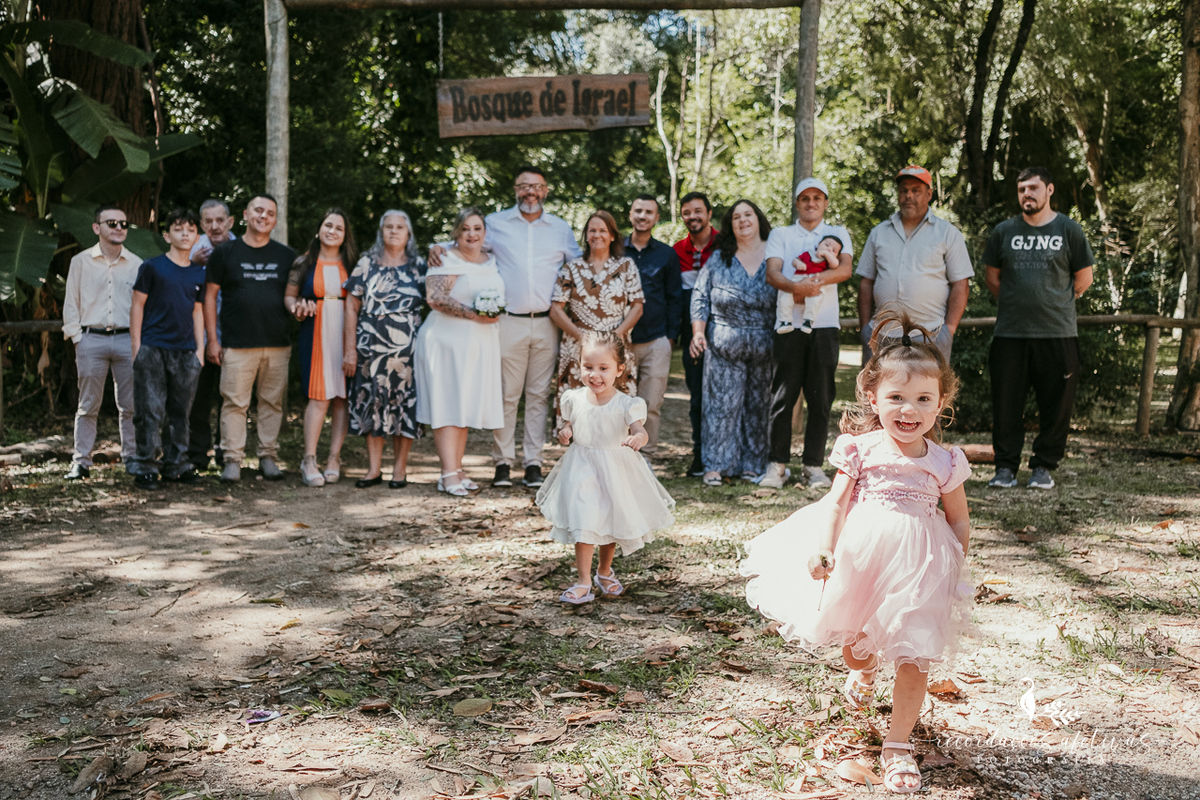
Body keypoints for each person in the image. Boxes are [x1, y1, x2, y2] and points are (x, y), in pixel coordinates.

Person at [740, 306, 972, 795]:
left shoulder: (945, 460)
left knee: (914, 654)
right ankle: (864, 677)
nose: (909, 410)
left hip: (922, 567)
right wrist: (823, 547)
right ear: (873, 396)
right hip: (863, 559)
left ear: (941, 401)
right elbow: (835, 503)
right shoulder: (860, 448)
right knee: (857, 649)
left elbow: (958, 517)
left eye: (922, 399)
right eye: (897, 397)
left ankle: (898, 745)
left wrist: (957, 564)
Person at [431, 166, 582, 489]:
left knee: (539, 394)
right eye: (524, 185)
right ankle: (502, 462)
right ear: (515, 189)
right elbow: (467, 242)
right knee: (506, 394)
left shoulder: (559, 228)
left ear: (546, 190)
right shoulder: (496, 223)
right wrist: (438, 246)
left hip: (546, 322)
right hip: (507, 321)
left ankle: (532, 462)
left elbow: (580, 263)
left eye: (537, 186)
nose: (531, 192)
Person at [535, 331, 675, 604]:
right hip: (581, 468)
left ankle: (604, 570)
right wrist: (566, 431)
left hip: (614, 469)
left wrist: (638, 438)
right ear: (579, 365)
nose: (594, 375)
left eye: (603, 368)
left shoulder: (627, 404)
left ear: (619, 369)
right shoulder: (574, 399)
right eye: (588, 367)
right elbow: (570, 424)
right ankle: (583, 580)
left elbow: (640, 430)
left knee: (610, 521)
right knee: (584, 520)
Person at [984, 167, 1094, 491]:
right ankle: (1004, 468)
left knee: (1056, 405)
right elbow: (993, 279)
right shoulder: (1004, 231)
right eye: (1021, 190)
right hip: (1010, 334)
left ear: (1049, 191)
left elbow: (1083, 279)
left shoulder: (1069, 230)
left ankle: (1043, 467)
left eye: (1033, 188)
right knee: (1006, 403)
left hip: (1058, 333)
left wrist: (1054, 301)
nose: (1026, 195)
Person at [762, 178, 855, 491]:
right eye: (804, 198)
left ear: (825, 202)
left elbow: (844, 271)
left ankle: (813, 467)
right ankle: (777, 466)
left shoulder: (838, 234)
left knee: (821, 398)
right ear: (797, 202)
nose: (811, 203)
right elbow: (773, 273)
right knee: (782, 397)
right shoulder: (781, 234)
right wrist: (795, 288)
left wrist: (808, 285)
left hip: (824, 326)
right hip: (788, 327)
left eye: (817, 198)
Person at [204, 194, 297, 483]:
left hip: (278, 343)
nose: (264, 216)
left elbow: (295, 295)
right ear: (246, 214)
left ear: (275, 220)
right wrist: (212, 340)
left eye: (270, 213)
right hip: (236, 344)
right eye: (259, 210)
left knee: (272, 403)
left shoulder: (287, 256)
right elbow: (209, 296)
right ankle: (232, 459)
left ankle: (268, 457)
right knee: (234, 403)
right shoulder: (225, 253)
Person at [414, 208, 504, 497]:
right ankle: (447, 472)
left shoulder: (491, 260)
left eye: (477, 228)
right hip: (446, 342)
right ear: (456, 232)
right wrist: (475, 315)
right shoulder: (446, 258)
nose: (472, 234)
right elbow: (435, 298)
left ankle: (458, 467)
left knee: (464, 406)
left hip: (477, 343)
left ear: (485, 233)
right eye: (465, 229)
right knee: (447, 405)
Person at [689, 200, 776, 487]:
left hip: (766, 342)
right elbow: (700, 296)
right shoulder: (719, 258)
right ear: (730, 225)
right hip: (724, 343)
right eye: (736, 217)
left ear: (758, 219)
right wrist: (698, 333)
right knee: (721, 406)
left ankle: (753, 465)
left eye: (748, 214)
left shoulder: (776, 255)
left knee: (758, 406)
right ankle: (716, 465)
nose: (742, 221)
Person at [343, 210, 426, 489]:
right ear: (381, 231)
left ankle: (400, 470)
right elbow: (351, 306)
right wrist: (349, 349)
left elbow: (438, 299)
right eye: (388, 226)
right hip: (371, 347)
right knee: (372, 404)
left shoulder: (419, 266)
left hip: (408, 352)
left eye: (400, 227)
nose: (393, 231)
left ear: (409, 233)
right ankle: (373, 469)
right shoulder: (367, 263)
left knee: (404, 406)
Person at [856, 165, 973, 361]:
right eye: (904, 190)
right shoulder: (879, 233)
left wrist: (949, 330)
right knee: (877, 391)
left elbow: (961, 284)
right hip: (881, 336)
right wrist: (866, 328)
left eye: (915, 190)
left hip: (930, 335)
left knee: (928, 391)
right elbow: (866, 282)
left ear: (929, 194)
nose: (908, 195)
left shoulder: (947, 234)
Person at [61, 204, 141, 480]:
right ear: (97, 228)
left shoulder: (136, 264)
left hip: (126, 340)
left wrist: (138, 341)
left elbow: (141, 306)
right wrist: (77, 338)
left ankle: (132, 457)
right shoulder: (81, 261)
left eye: (123, 224)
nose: (119, 228)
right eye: (111, 223)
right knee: (88, 405)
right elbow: (71, 302)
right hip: (91, 339)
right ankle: (81, 461)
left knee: (130, 405)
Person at [128, 208, 206, 489]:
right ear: (167, 235)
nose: (185, 234)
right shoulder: (152, 267)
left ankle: (177, 464)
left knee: (180, 412)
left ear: (197, 236)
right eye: (178, 229)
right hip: (153, 348)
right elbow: (137, 305)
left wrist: (200, 349)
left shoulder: (199, 273)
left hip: (186, 351)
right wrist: (137, 347)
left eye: (190, 229)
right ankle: (146, 466)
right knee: (149, 410)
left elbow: (198, 311)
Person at [550, 210, 644, 436]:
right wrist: (584, 339)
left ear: (613, 235)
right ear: (586, 235)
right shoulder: (572, 267)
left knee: (618, 405)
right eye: (592, 230)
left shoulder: (626, 266)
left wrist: (617, 336)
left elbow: (638, 305)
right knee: (577, 407)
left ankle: (618, 456)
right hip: (577, 348)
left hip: (615, 346)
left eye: (603, 230)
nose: (597, 234)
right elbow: (556, 308)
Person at [286, 209, 357, 487]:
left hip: (346, 331)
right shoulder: (303, 262)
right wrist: (297, 310)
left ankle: (334, 458)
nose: (332, 231)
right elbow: (289, 297)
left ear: (344, 235)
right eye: (328, 225)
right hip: (315, 331)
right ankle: (309, 459)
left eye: (339, 228)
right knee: (319, 397)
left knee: (342, 397)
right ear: (319, 229)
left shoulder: (353, 264)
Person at [624, 194, 682, 459]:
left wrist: (670, 337)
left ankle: (645, 457)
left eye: (649, 212)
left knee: (651, 403)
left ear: (657, 218)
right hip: (619, 342)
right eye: (638, 211)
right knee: (618, 402)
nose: (643, 216)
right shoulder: (616, 250)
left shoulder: (666, 254)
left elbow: (674, 297)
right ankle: (618, 456)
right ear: (630, 215)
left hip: (656, 339)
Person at [186, 199, 237, 471]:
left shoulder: (242, 248)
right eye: (208, 221)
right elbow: (179, 286)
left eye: (220, 221)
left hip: (235, 338)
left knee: (231, 399)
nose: (214, 227)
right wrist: (192, 264)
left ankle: (226, 452)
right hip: (200, 339)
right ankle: (197, 455)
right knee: (199, 399)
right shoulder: (193, 250)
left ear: (230, 222)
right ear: (201, 224)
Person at [673, 192, 719, 477]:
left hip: (726, 327)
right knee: (698, 396)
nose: (693, 217)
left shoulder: (727, 245)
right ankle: (700, 454)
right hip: (693, 333)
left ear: (709, 213)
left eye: (698, 211)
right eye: (687, 212)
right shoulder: (676, 251)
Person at [775, 235, 843, 335]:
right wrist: (798, 264)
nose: (829, 249)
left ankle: (808, 321)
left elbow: (835, 264)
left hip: (814, 283)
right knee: (785, 298)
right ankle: (785, 321)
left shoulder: (828, 261)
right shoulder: (808, 253)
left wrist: (826, 254)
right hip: (797, 280)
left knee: (814, 300)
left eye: (834, 250)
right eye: (826, 245)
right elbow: (795, 260)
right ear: (819, 244)